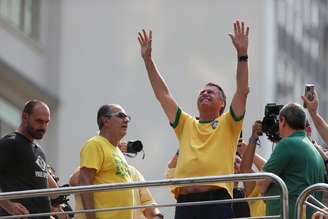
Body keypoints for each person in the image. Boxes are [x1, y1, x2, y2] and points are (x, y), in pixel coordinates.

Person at [138, 20, 250, 219]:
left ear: (222, 104)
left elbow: (242, 91)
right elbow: (163, 95)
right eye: (202, 92)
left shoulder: (229, 124)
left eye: (211, 93)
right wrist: (148, 60)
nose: (205, 94)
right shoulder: (186, 124)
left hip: (217, 201)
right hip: (186, 203)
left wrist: (242, 55)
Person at [258, 103, 326, 219]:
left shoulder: (287, 144)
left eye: (279, 121)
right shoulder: (313, 149)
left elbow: (260, 184)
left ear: (283, 120)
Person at [0, 99, 51, 218]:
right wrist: (7, 205)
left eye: (46, 122)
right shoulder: (10, 143)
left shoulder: (39, 151)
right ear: (25, 117)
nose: (43, 126)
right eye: (39, 121)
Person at [239, 121, 266, 217]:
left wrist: (247, 148)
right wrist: (253, 138)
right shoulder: (256, 191)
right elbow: (245, 169)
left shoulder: (280, 185)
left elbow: (266, 168)